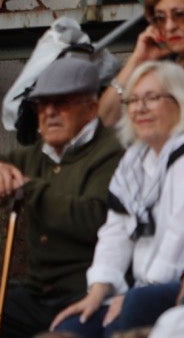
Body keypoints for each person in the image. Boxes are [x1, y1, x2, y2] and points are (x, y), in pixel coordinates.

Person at [0, 57, 122, 338]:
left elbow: (93, 218)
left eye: (61, 104)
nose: (49, 113)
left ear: (91, 108)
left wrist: (28, 188)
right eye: (42, 105)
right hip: (34, 296)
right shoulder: (35, 154)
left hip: (87, 292)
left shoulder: (111, 151)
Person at [52, 60, 184, 335]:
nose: (139, 108)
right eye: (132, 100)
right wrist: (98, 290)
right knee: (73, 327)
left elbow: (178, 236)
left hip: (173, 286)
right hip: (141, 290)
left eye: (152, 98)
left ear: (180, 100)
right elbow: (115, 232)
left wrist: (140, 292)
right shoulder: (133, 162)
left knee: (135, 307)